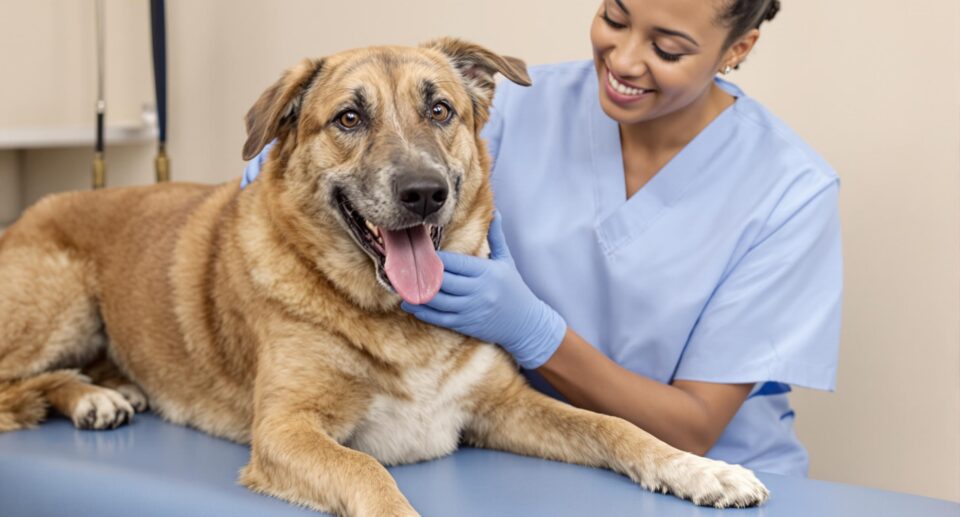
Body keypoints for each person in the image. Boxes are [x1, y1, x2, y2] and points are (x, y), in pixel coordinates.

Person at [242, 0, 842, 477]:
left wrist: (531, 330)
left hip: (715, 473)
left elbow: (693, 429)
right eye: (614, 16)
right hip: (534, 458)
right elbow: (396, 112)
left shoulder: (789, 192)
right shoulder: (521, 104)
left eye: (667, 47)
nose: (626, 59)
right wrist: (284, 172)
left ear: (738, 48)